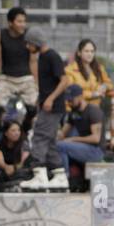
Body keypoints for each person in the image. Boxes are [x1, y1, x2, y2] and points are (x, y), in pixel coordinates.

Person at [23, 28, 71, 190]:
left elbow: (64, 80)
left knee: (39, 137)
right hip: (47, 104)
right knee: (49, 141)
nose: (27, 47)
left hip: (53, 106)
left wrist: (50, 99)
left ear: (35, 43)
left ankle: (39, 173)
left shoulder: (52, 56)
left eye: (29, 44)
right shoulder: (42, 57)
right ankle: (59, 175)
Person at [0, 7, 39, 131]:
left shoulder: (30, 35)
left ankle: (26, 126)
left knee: (33, 107)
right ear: (10, 22)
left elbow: (33, 61)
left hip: (26, 77)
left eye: (24, 21)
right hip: (6, 77)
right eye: (19, 21)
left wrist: (37, 83)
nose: (23, 24)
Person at [63, 39, 114, 149]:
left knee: (95, 143)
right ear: (79, 52)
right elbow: (71, 92)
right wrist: (93, 94)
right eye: (86, 51)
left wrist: (104, 87)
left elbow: (109, 83)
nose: (90, 54)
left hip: (94, 113)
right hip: (76, 113)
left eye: (92, 51)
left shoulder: (98, 68)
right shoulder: (70, 70)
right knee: (72, 143)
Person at [54, 84, 104, 185]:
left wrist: (73, 139)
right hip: (83, 148)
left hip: (96, 151)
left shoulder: (93, 111)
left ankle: (64, 178)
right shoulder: (73, 112)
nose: (69, 103)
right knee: (56, 144)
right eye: (68, 100)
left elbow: (96, 139)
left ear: (80, 97)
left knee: (61, 146)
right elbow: (63, 133)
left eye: (71, 100)